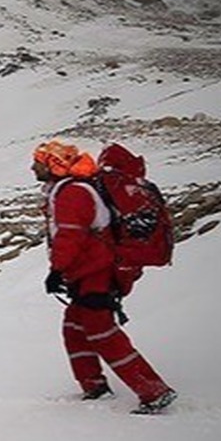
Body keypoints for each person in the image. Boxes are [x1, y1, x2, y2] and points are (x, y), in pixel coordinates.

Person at [32, 141, 176, 414]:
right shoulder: (72, 189)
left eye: (38, 162)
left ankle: (153, 391)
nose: (33, 167)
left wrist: (56, 270)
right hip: (89, 272)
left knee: (101, 330)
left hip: (97, 272)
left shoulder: (73, 194)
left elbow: (70, 236)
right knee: (75, 327)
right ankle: (93, 387)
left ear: (53, 164)